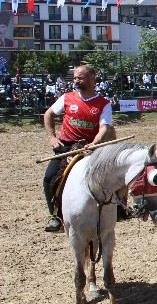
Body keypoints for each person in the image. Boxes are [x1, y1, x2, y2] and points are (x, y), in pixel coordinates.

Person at [41, 64, 116, 232]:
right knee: (49, 178)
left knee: (109, 177)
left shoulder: (103, 103)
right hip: (66, 146)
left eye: (80, 77)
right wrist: (52, 137)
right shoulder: (67, 98)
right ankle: (56, 216)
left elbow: (105, 128)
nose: (76, 80)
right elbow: (49, 114)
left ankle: (118, 209)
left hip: (90, 147)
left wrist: (94, 144)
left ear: (92, 79)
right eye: (75, 78)